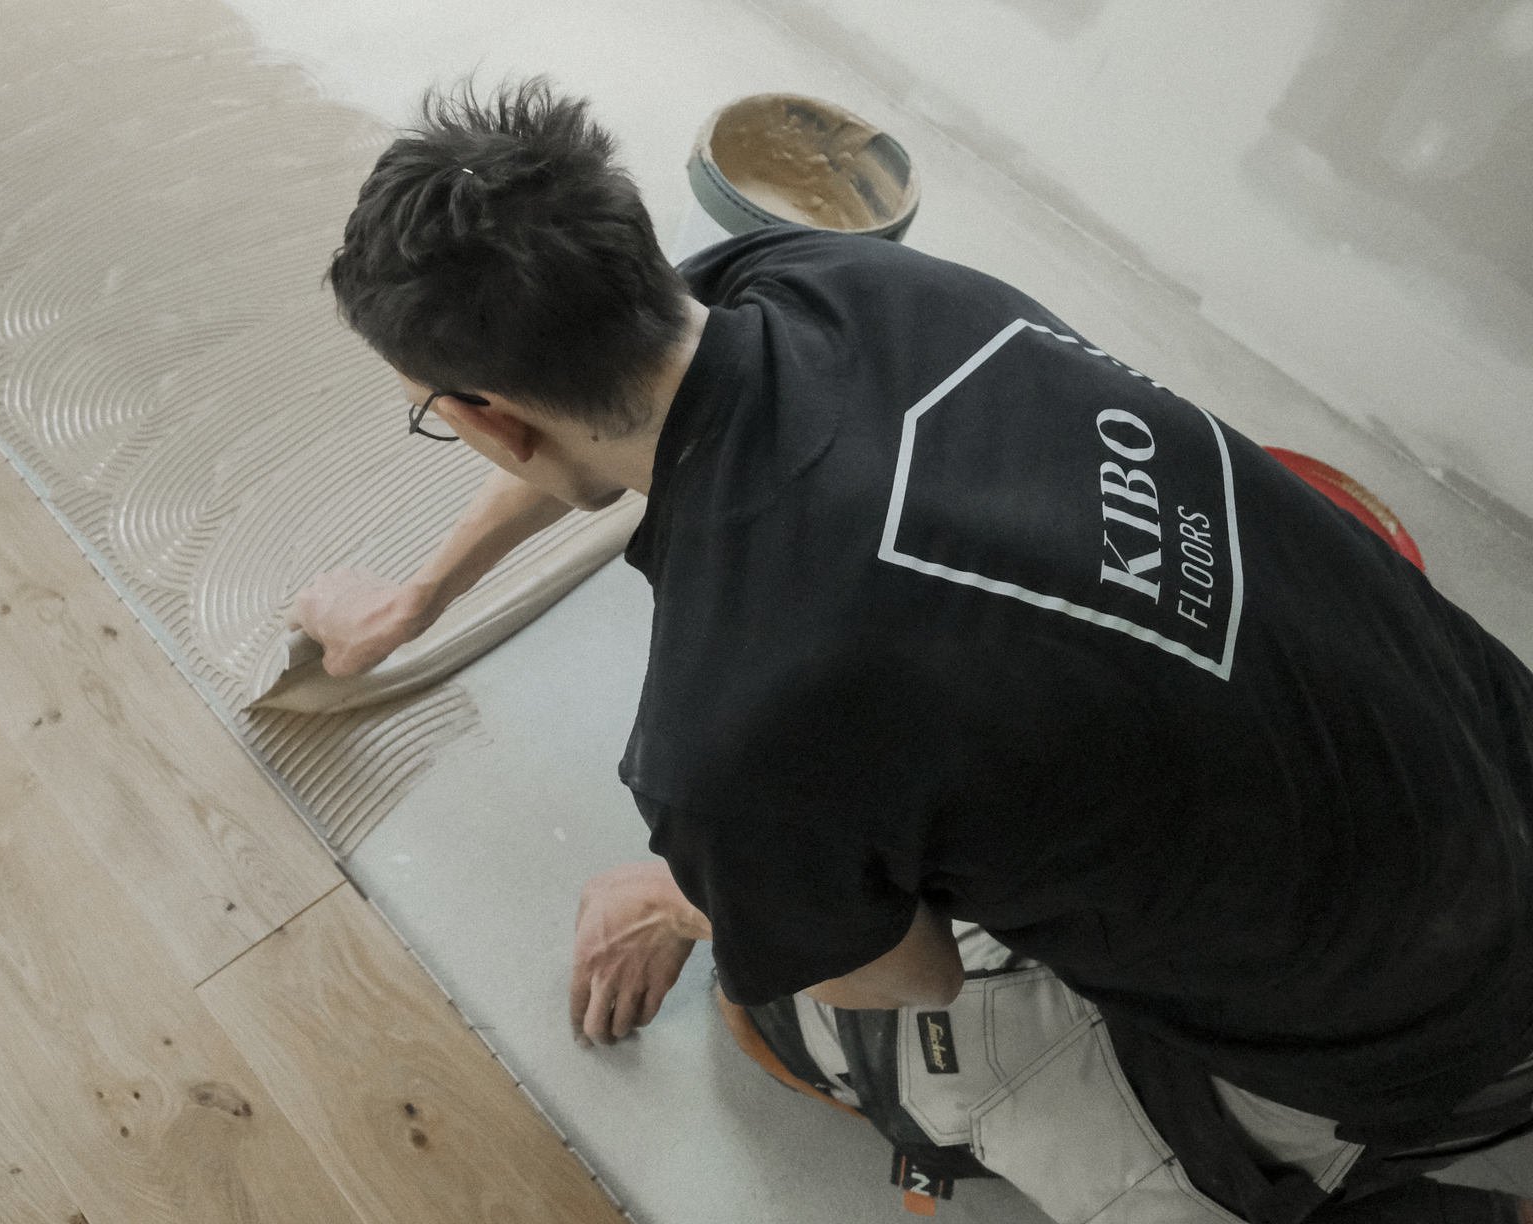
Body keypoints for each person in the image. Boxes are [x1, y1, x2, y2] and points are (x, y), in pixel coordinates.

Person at [291, 78, 1533, 1222]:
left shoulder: (722, 737)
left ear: (488, 418)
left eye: (437, 413)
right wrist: (418, 596)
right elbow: (598, 396)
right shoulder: (841, 278)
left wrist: (690, 894)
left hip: (1436, 1043)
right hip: (1490, 757)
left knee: (797, 1007)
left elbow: (914, 976)